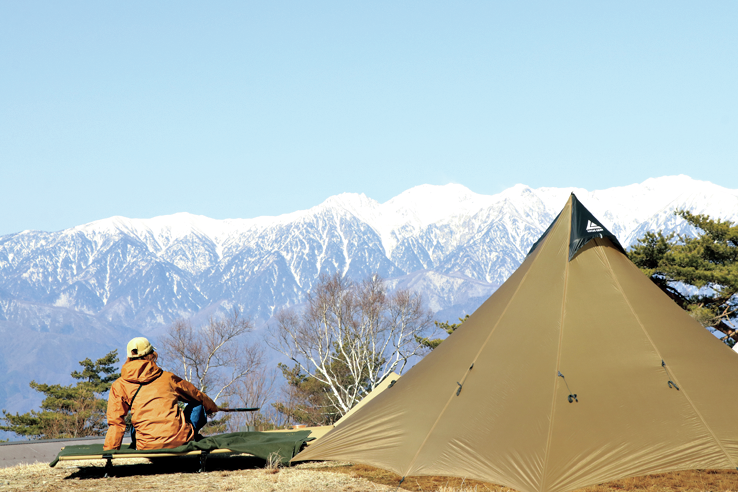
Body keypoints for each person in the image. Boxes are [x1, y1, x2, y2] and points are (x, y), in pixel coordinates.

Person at [103, 337, 219, 451]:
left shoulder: (119, 385)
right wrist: (212, 407)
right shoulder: (167, 378)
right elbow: (196, 394)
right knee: (198, 404)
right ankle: (190, 436)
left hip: (146, 445)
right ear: (152, 354)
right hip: (180, 441)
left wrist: (110, 452)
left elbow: (116, 423)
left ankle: (145, 442)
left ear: (128, 357)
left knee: (136, 420)